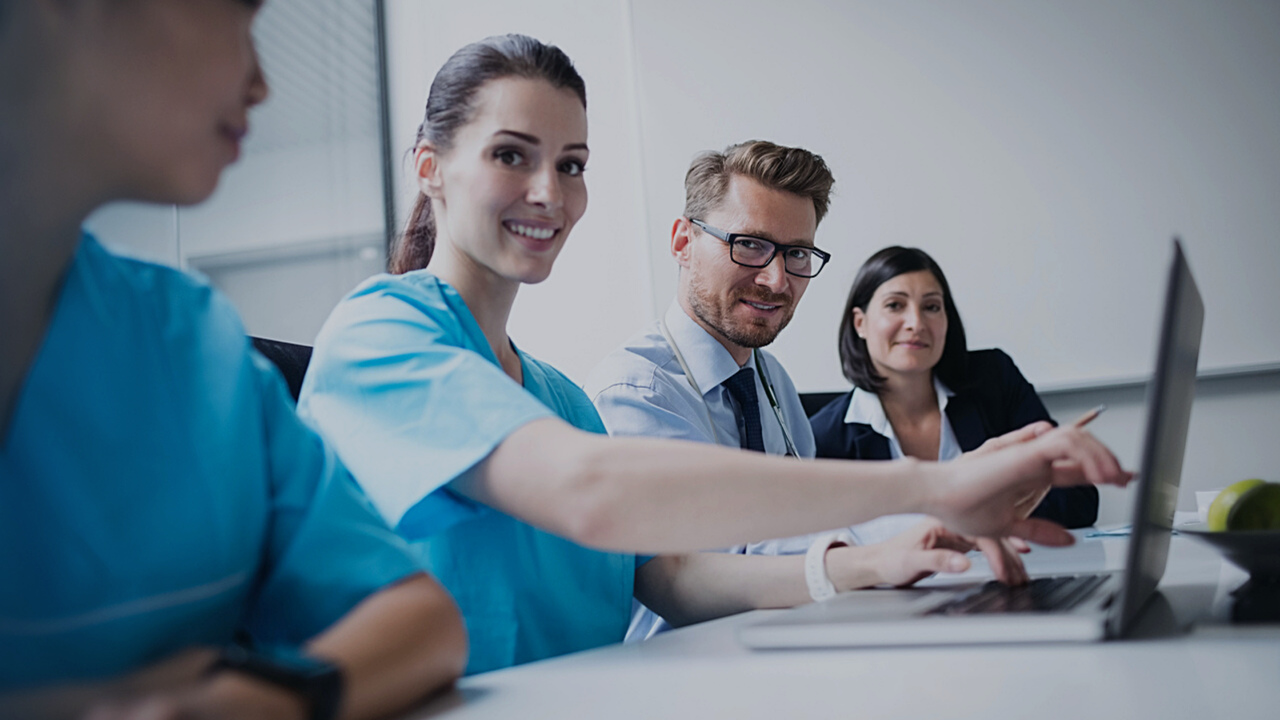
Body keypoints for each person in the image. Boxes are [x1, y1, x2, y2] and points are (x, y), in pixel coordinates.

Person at [297, 33, 1129, 677]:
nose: (551, 192)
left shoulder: (558, 398)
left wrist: (878, 560)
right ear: (430, 168)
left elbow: (673, 580)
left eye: (573, 164)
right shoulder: (380, 334)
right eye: (511, 155)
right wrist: (939, 484)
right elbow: (592, 496)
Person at [0, 2, 465, 718]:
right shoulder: (381, 327)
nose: (260, 83)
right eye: (236, 16)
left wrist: (253, 698)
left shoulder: (192, 346)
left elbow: (421, 619)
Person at [585, 140, 1034, 642]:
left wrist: (957, 499)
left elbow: (804, 526)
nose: (777, 280)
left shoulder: (771, 378)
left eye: (796, 253)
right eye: (749, 244)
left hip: (792, 637)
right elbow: (721, 562)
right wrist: (936, 503)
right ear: (683, 242)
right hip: (688, 666)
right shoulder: (637, 391)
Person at [809, 246, 1100, 545]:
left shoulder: (994, 379)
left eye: (932, 307)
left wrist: (976, 514)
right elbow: (825, 541)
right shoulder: (824, 437)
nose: (916, 323)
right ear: (861, 323)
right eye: (895, 305)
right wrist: (965, 514)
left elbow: (1077, 497)